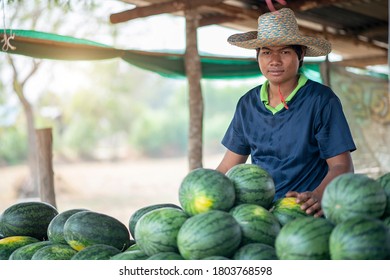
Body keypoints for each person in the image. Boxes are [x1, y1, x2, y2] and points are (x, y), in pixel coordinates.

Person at [216, 8, 356, 217]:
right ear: (258, 57)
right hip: (261, 214)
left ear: (300, 56)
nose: (274, 60)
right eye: (266, 52)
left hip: (307, 212)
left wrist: (317, 195)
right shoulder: (247, 104)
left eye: (284, 52)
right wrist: (200, 190)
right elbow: (228, 165)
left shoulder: (321, 100)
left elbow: (342, 166)